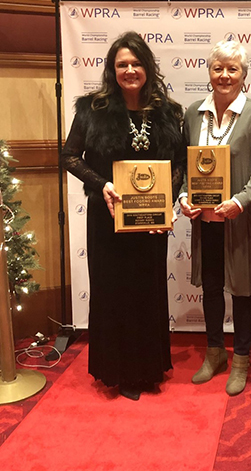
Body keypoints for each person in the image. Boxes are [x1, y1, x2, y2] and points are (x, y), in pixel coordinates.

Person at [61, 31, 185, 401]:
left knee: (147, 292)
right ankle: (120, 372)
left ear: (147, 67)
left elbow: (178, 164)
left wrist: (168, 203)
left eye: (136, 63)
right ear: (112, 71)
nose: (129, 70)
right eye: (121, 65)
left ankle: (148, 368)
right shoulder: (91, 110)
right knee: (113, 292)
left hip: (150, 223)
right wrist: (102, 185)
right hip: (108, 218)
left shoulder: (168, 112)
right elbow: (69, 156)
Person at [179, 40, 251, 396]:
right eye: (218, 68)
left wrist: (240, 201)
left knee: (243, 291)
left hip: (240, 220)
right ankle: (215, 352)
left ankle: (242, 360)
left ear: (244, 76)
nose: (224, 75)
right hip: (205, 220)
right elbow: (184, 166)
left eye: (232, 69)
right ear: (209, 72)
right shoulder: (192, 113)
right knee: (211, 286)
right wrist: (185, 197)